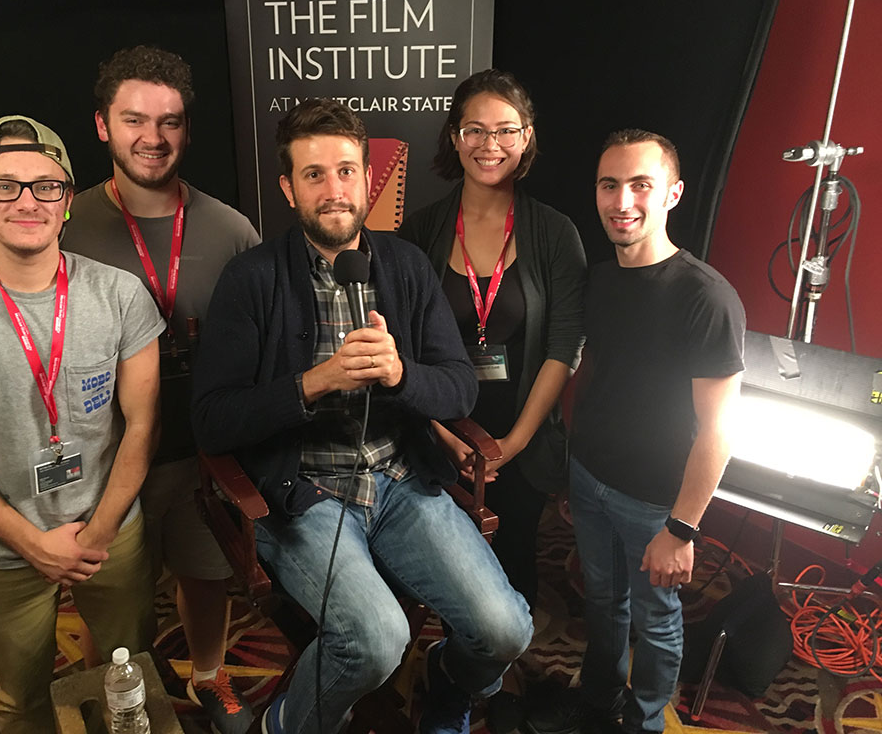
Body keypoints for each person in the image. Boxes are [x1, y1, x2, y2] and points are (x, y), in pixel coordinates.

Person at [192, 98, 533, 734]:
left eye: (346, 171)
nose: (334, 189)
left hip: (404, 482)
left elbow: (459, 389)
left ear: (367, 179)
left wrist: (402, 375)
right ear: (288, 188)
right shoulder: (251, 279)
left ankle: (448, 679)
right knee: (376, 640)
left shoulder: (404, 267)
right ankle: (284, 726)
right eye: (314, 174)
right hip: (306, 494)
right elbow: (212, 420)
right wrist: (311, 384)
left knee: (506, 630)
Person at [0, 115, 164, 734]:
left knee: (131, 679)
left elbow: (142, 425)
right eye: (3, 186)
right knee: (22, 701)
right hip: (2, 543)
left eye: (46, 186)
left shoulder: (120, 296)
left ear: (67, 200)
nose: (26, 202)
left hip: (110, 529)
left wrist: (96, 534)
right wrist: (32, 542)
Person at [61, 45, 260, 732]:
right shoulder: (63, 226)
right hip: (105, 461)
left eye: (169, 121)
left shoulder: (232, 230)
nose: (152, 138)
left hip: (203, 452)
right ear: (101, 126)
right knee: (114, 599)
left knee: (207, 573)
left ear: (186, 129)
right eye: (134, 120)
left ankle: (208, 674)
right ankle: (112, 691)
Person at [540, 129, 744, 734]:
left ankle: (645, 721)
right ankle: (600, 699)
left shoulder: (705, 298)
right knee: (602, 604)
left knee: (656, 620)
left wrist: (681, 528)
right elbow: (600, 384)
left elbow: (719, 429)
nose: (622, 200)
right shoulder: (598, 280)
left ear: (672, 194)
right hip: (591, 479)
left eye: (640, 185)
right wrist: (573, 477)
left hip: (656, 502)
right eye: (610, 185)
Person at [400, 69, 586, 611]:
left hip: (520, 438)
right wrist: (439, 434)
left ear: (526, 138)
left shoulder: (555, 233)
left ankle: (497, 682)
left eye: (506, 130)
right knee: (440, 571)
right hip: (438, 435)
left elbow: (565, 344)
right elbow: (403, 353)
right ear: (454, 137)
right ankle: (449, 669)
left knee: (515, 567)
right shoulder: (420, 231)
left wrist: (515, 443)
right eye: (475, 130)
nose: (490, 145)